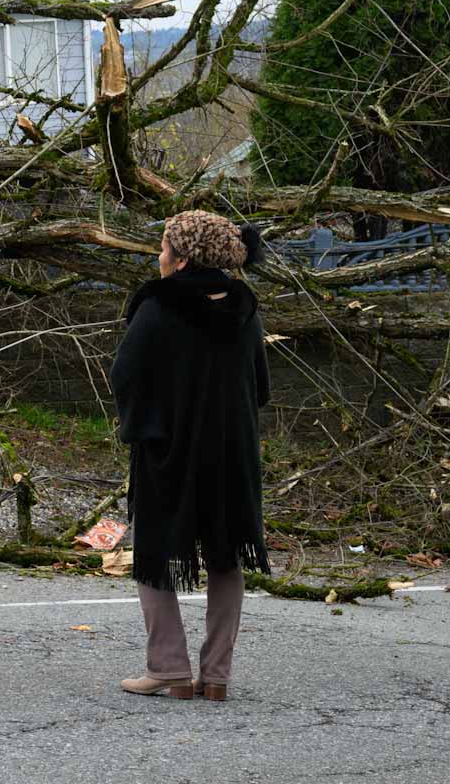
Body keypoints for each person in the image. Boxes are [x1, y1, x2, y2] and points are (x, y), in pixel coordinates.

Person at [109, 209, 271, 702]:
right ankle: (216, 676)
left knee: (155, 555)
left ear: (181, 260)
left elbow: (126, 376)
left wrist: (141, 426)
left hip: (169, 450)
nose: (158, 257)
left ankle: (169, 668)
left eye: (163, 248)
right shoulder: (246, 308)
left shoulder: (158, 306)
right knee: (226, 555)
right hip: (232, 452)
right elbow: (260, 386)